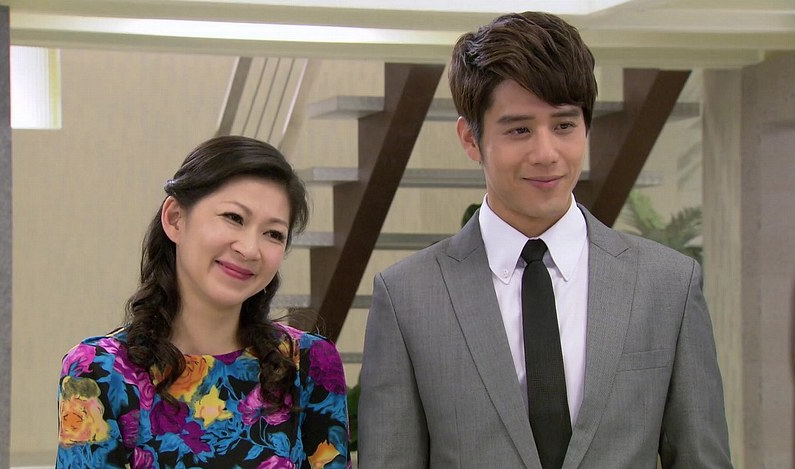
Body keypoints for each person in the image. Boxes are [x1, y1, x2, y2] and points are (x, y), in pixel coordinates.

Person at [358, 11, 731, 469]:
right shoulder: (408, 296)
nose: (546, 153)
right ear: (470, 139)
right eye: (519, 129)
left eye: (564, 125)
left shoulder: (668, 284)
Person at [57, 136, 350, 468]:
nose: (250, 249)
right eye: (234, 218)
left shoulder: (308, 363)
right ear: (175, 219)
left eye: (273, 234)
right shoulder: (98, 371)